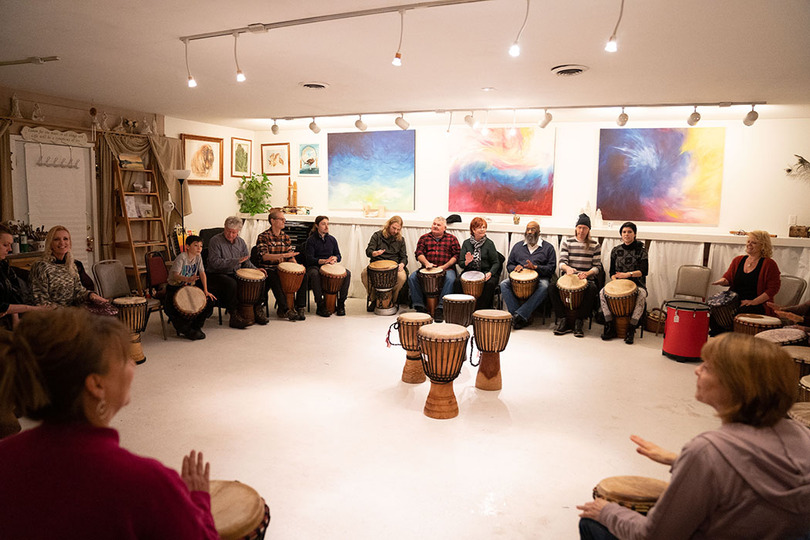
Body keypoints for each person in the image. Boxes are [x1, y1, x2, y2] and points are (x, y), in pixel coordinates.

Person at [0, 308, 219, 538]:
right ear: (96, 385)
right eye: (125, 359)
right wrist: (199, 500)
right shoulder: (146, 483)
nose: (133, 367)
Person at [577, 332, 810, 540]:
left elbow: (653, 535)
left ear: (735, 385)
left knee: (592, 522)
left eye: (707, 367)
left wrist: (606, 511)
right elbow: (748, 477)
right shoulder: (803, 435)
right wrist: (676, 460)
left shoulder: (706, 452)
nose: (697, 370)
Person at [29, 225, 115, 315]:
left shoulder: (71, 265)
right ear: (50, 244)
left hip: (71, 313)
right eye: (56, 239)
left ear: (70, 243)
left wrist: (91, 295)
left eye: (65, 239)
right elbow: (40, 301)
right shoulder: (41, 266)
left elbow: (78, 292)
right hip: (50, 316)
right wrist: (67, 312)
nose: (62, 243)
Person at [710, 230, 780, 334]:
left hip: (757, 304)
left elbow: (772, 289)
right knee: (713, 311)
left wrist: (753, 302)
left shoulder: (769, 264)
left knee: (739, 313)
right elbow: (728, 278)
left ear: (763, 246)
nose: (749, 244)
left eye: (754, 242)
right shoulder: (738, 260)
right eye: (748, 241)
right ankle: (719, 341)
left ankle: (733, 342)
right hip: (735, 301)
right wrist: (721, 281)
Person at [206, 216, 268, 329]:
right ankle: (234, 315)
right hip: (217, 273)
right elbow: (215, 263)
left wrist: (256, 270)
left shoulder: (241, 242)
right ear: (224, 228)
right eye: (228, 231)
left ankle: (257, 308)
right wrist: (235, 261)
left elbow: (246, 261)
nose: (230, 235)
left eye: (234, 232)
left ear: (238, 231)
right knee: (232, 283)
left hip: (234, 272)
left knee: (260, 278)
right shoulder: (215, 241)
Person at [551, 214, 602, 337]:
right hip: (569, 278)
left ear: (589, 229)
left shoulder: (595, 245)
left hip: (585, 279)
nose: (581, 231)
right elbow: (561, 262)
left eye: (585, 228)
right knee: (551, 287)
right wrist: (567, 269)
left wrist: (587, 273)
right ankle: (562, 319)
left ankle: (579, 321)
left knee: (593, 288)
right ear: (576, 228)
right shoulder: (567, 242)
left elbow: (597, 267)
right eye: (579, 227)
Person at [499, 221, 556, 330]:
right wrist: (514, 268)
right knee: (503, 284)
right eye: (528, 229)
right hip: (518, 279)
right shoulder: (518, 246)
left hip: (539, 278)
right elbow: (509, 264)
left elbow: (551, 268)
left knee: (544, 286)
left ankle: (519, 316)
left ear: (539, 232)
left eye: (533, 229)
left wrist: (536, 268)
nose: (529, 232)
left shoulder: (548, 248)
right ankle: (520, 316)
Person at [599, 222, 649, 344]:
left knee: (642, 294)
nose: (626, 234)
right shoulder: (616, 251)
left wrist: (627, 275)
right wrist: (615, 282)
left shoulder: (642, 251)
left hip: (637, 284)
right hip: (618, 285)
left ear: (635, 234)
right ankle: (609, 325)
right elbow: (611, 272)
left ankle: (631, 328)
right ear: (621, 234)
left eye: (629, 232)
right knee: (602, 293)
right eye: (624, 232)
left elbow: (644, 271)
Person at [256, 208, 308, 321]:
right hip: (268, 268)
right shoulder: (263, 236)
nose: (284, 221)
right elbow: (264, 256)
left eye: (284, 219)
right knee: (274, 277)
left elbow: (290, 256)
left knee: (303, 274)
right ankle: (285, 309)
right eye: (281, 219)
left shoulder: (286, 237)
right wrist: (282, 256)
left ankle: (300, 307)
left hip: (282, 269)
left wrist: (297, 267)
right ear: (273, 221)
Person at [407, 216, 460, 323]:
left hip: (447, 268)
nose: (435, 226)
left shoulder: (452, 238)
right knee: (412, 277)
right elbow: (419, 253)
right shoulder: (424, 238)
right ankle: (419, 306)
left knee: (450, 279)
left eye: (438, 225)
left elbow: (456, 255)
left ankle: (440, 308)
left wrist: (443, 267)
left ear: (444, 228)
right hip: (427, 268)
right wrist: (426, 263)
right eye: (434, 224)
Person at [164, 235, 216, 340]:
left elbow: (202, 273)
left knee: (209, 301)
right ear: (187, 246)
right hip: (175, 287)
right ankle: (186, 329)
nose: (199, 248)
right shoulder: (182, 257)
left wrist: (206, 291)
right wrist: (187, 279)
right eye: (196, 245)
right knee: (174, 308)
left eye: (201, 246)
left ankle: (196, 326)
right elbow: (175, 275)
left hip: (189, 287)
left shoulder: (198, 257)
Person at [0, 223, 50, 329]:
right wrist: (34, 309)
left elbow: (14, 293)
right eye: (5, 245)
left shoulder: (3, 265)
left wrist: (15, 319)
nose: (9, 249)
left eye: (10, 245)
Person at [305, 216, 351, 317]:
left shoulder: (332, 239)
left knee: (347, 273)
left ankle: (341, 303)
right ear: (317, 225)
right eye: (323, 224)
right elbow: (309, 259)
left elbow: (339, 256)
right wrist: (323, 261)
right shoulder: (311, 240)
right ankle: (320, 305)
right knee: (314, 274)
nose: (326, 226)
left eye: (327, 224)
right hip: (315, 266)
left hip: (330, 265)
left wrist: (335, 258)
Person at [361, 215, 408, 312]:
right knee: (364, 274)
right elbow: (368, 251)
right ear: (388, 225)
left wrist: (402, 264)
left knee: (402, 277)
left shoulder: (400, 240)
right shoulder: (377, 236)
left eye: (398, 229)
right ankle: (374, 299)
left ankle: (391, 300)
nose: (395, 231)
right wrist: (374, 253)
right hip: (377, 266)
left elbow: (404, 257)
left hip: (393, 267)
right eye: (393, 228)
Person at [458, 217, 502, 310]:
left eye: (484, 227)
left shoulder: (489, 244)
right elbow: (461, 263)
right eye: (479, 227)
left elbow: (496, 262)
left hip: (486, 271)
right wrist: (466, 262)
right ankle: (463, 309)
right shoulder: (466, 243)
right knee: (457, 282)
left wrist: (490, 273)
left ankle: (481, 310)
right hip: (470, 271)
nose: (483, 230)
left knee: (489, 284)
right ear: (473, 229)